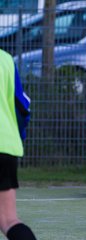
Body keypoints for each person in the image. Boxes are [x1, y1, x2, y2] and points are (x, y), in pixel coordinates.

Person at [0, 48, 37, 240]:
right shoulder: (5, 58)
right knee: (8, 220)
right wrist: (17, 138)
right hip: (5, 144)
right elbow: (22, 106)